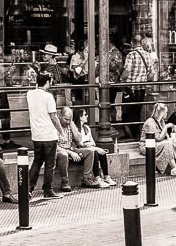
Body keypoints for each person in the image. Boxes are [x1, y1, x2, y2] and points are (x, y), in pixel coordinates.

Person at [24, 71, 64, 201]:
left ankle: (28, 189)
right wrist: (61, 132)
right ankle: (48, 190)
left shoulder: (30, 94)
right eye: (50, 81)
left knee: (37, 161)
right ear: (47, 82)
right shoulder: (48, 97)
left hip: (36, 135)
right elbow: (54, 117)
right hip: (49, 135)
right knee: (50, 164)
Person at [121, 35, 158, 139]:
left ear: (132, 43)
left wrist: (121, 79)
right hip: (141, 89)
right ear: (141, 43)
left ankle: (129, 136)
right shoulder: (148, 55)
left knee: (126, 112)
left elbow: (127, 70)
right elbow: (152, 73)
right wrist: (144, 79)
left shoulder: (131, 55)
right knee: (137, 112)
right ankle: (136, 134)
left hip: (130, 89)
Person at [55, 106, 98, 190]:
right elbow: (55, 146)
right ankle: (65, 182)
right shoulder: (55, 126)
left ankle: (86, 179)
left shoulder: (70, 124)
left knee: (90, 152)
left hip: (71, 149)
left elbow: (78, 139)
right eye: (65, 119)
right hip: (60, 151)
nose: (67, 122)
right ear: (60, 116)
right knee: (64, 155)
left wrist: (72, 124)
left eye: (69, 119)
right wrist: (71, 153)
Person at [72, 109, 115, 187]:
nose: (87, 116)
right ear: (80, 117)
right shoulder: (75, 129)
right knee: (94, 152)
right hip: (82, 149)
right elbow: (79, 144)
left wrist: (91, 145)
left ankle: (106, 176)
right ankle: (97, 178)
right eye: (85, 115)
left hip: (90, 146)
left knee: (102, 152)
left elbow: (93, 143)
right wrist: (87, 145)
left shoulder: (87, 128)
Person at [141, 102, 176, 176]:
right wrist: (166, 127)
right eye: (166, 112)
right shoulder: (150, 122)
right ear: (161, 112)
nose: (167, 114)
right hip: (147, 146)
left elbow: (166, 136)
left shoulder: (161, 121)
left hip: (158, 143)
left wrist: (171, 139)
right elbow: (158, 138)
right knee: (167, 144)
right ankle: (174, 168)